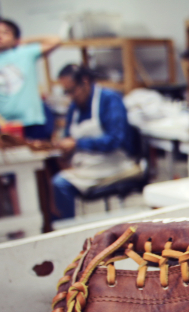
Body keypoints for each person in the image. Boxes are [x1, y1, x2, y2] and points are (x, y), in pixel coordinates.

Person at [52, 64, 138, 220]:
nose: (70, 96)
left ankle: (66, 232)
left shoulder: (109, 99)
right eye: (66, 92)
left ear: (85, 82)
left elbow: (115, 140)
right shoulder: (74, 108)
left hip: (114, 163)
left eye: (72, 90)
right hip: (87, 164)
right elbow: (68, 137)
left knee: (61, 183)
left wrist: (77, 144)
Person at [0, 18, 59, 140]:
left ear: (15, 39)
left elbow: (56, 40)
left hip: (31, 121)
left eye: (5, 33)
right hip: (5, 124)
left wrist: (23, 41)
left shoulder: (25, 53)